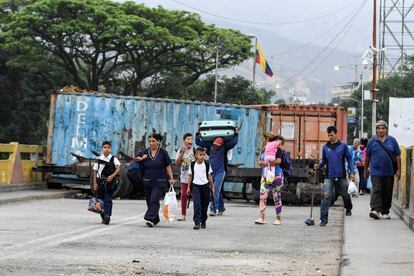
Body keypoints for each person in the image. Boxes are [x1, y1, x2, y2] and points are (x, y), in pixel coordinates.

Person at [314, 126, 354, 227]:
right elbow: (324, 160)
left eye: (332, 135)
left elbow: (349, 159)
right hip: (329, 176)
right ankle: (323, 219)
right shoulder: (325, 147)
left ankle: (348, 208)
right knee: (326, 196)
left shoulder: (343, 146)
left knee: (345, 194)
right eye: (329, 135)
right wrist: (319, 165)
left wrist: (352, 171)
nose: (330, 137)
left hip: (341, 175)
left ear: (336, 134)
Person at [195, 127, 239, 216]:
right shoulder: (209, 146)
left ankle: (213, 209)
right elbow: (198, 142)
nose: (216, 146)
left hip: (220, 172)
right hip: (211, 172)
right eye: (216, 144)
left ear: (221, 144)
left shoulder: (225, 147)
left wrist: (236, 133)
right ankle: (221, 207)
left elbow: (234, 142)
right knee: (215, 190)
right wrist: (197, 133)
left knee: (215, 190)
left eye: (218, 145)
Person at [365, 120, 401, 220]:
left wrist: (398, 170)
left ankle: (385, 211)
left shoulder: (392, 140)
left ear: (386, 129)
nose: (380, 130)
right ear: (376, 129)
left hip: (389, 171)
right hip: (375, 171)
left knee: (387, 191)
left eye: (383, 128)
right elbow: (367, 157)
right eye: (378, 128)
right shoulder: (372, 141)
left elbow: (398, 156)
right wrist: (365, 172)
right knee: (376, 189)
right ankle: (375, 210)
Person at [137, 134, 174, 227]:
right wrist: (141, 158)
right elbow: (135, 158)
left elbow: (168, 166)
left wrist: (171, 178)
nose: (151, 143)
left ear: (158, 142)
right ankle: (155, 218)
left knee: (154, 199)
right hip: (147, 180)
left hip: (159, 181)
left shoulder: (163, 153)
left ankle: (150, 218)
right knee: (149, 201)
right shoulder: (145, 152)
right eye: (149, 141)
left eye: (153, 141)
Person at [255, 132, 285, 225]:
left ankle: (278, 218)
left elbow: (279, 161)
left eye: (266, 138)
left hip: (276, 175)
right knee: (262, 196)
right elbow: (260, 160)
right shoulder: (264, 149)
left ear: (270, 139)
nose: (265, 140)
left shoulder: (278, 149)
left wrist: (267, 164)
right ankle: (261, 217)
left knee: (277, 196)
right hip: (265, 175)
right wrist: (261, 163)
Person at [92, 141, 121, 225]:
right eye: (105, 147)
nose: (106, 149)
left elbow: (118, 168)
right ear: (102, 149)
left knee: (108, 199)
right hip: (99, 182)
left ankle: (107, 215)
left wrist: (112, 176)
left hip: (109, 183)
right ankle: (103, 216)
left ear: (111, 149)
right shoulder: (98, 159)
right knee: (100, 200)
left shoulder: (113, 159)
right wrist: (94, 183)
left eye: (108, 147)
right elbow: (95, 171)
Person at [187, 147, 215, 230]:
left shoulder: (207, 164)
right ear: (196, 155)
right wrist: (188, 187)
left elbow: (210, 176)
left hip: (205, 186)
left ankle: (203, 221)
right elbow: (190, 176)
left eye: (203, 155)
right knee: (197, 205)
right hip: (195, 186)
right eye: (200, 155)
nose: (202, 156)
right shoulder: (192, 165)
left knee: (204, 205)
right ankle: (197, 222)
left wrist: (212, 187)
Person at [175, 133, 196, 221]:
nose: (190, 140)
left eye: (191, 139)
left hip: (194, 177)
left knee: (196, 195)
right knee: (183, 195)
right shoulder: (180, 150)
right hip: (184, 176)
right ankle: (183, 215)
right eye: (188, 139)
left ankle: (198, 214)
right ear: (184, 141)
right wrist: (182, 153)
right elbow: (177, 163)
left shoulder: (195, 150)